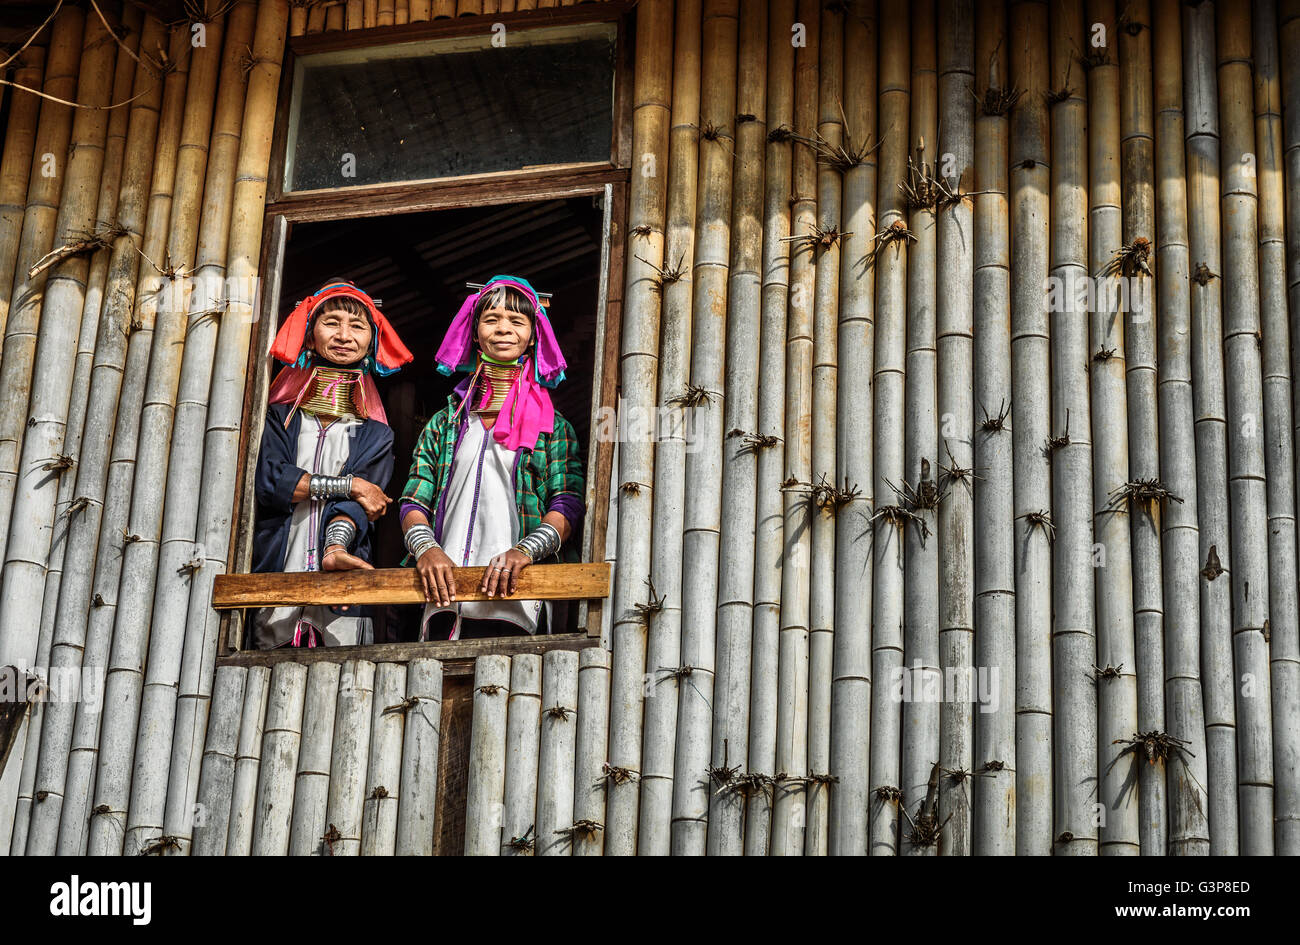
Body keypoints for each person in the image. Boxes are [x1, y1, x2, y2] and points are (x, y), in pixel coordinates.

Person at [400, 274, 585, 641]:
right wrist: (427, 549)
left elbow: (567, 502)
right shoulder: (446, 422)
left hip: (516, 599)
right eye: (491, 319)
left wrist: (524, 551)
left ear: (533, 336)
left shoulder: (552, 425)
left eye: (516, 321)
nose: (503, 328)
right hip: (443, 597)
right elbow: (412, 499)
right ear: (474, 332)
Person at [250, 278, 413, 648]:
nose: (344, 335)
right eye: (331, 322)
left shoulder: (377, 435)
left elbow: (365, 504)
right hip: (278, 572)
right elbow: (272, 481)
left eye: (357, 326)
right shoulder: (280, 419)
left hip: (343, 584)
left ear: (371, 342)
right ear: (309, 337)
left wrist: (335, 548)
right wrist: (350, 484)